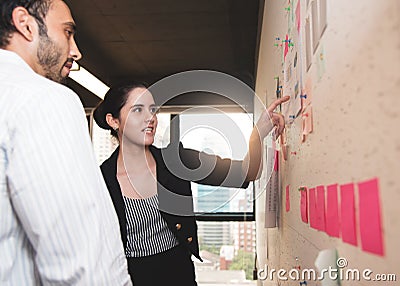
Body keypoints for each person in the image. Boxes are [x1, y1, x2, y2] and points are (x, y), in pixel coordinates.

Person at [93, 81, 289, 285]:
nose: (150, 118)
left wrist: (257, 134)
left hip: (179, 271)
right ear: (114, 121)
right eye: (138, 110)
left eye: (152, 109)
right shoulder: (100, 180)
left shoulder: (176, 160)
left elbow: (246, 173)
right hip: (132, 276)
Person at [0, 1, 131, 285]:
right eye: (67, 32)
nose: (76, 51)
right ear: (25, 24)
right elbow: (84, 266)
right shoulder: (42, 99)